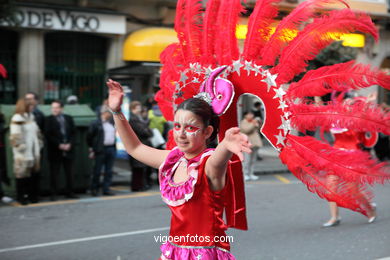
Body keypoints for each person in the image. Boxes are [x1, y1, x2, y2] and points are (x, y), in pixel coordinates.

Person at [106, 79, 251, 259]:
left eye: (190, 127)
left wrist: (225, 146)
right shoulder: (172, 160)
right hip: (173, 253)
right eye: (177, 126)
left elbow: (217, 162)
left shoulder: (208, 165)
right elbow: (135, 148)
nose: (181, 134)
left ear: (207, 132)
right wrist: (116, 111)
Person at [322, 127, 377, 227]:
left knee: (353, 190)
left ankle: (370, 209)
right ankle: (335, 217)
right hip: (336, 155)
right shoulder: (330, 118)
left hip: (351, 156)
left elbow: (363, 137)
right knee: (330, 188)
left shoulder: (354, 119)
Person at [9, 98, 43, 205]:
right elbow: (15, 135)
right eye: (30, 105)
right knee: (22, 176)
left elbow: (37, 132)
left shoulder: (31, 117)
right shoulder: (17, 117)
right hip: (23, 153)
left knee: (33, 175)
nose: (32, 107)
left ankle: (32, 196)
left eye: (33, 105)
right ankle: (21, 197)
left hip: (33, 150)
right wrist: (21, 147)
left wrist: (39, 142)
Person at [45, 100, 78, 200]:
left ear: (61, 108)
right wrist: (59, 145)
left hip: (69, 149)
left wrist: (70, 144)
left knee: (69, 173)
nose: (54, 109)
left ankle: (70, 192)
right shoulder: (48, 119)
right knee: (54, 173)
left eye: (56, 107)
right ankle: (54, 194)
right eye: (53, 107)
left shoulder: (68, 118)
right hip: (55, 151)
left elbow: (73, 133)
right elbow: (48, 135)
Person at [87, 108, 116, 196]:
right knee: (97, 170)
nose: (111, 115)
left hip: (111, 148)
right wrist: (92, 148)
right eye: (109, 113)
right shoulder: (95, 123)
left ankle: (106, 189)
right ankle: (94, 189)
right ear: (103, 113)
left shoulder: (111, 122)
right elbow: (89, 136)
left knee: (109, 171)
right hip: (100, 149)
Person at [128, 101, 153, 191]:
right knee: (137, 167)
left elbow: (148, 130)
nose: (140, 108)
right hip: (138, 144)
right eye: (138, 107)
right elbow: (142, 131)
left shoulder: (139, 118)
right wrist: (147, 131)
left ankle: (140, 185)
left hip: (142, 144)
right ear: (133, 108)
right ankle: (137, 186)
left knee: (141, 167)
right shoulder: (133, 119)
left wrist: (148, 131)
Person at [239, 111, 262, 181]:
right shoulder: (243, 122)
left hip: (255, 143)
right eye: (249, 114)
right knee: (247, 160)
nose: (251, 115)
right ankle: (245, 174)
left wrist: (259, 122)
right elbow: (246, 130)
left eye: (252, 114)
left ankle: (251, 173)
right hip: (246, 144)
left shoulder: (253, 121)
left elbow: (259, 129)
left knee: (253, 160)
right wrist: (253, 124)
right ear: (245, 116)